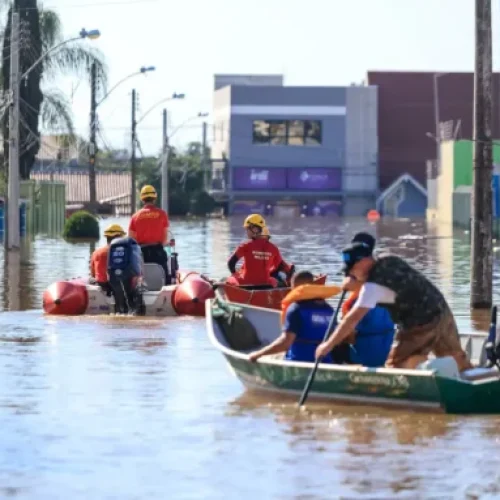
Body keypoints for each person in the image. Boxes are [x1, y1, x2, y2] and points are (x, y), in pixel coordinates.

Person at [315, 243, 473, 372]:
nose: (350, 274)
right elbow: (388, 283)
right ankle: (472, 379)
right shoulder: (389, 259)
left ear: (363, 262)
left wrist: (327, 345)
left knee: (395, 366)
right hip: (441, 310)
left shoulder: (371, 289)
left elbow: (352, 319)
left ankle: (427, 370)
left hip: (421, 323)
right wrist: (357, 282)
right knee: (455, 356)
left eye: (351, 270)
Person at [249, 271, 343, 363]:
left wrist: (258, 354)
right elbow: (337, 338)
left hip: (298, 360)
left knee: (272, 356)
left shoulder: (296, 308)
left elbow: (285, 343)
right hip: (324, 361)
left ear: (296, 288)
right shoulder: (329, 309)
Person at [339, 232, 395, 367]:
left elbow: (350, 336)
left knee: (334, 342)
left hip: (365, 356)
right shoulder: (387, 291)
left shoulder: (355, 303)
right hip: (386, 349)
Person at [226, 215, 291, 289]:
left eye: (247, 229)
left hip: (246, 283)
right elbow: (279, 266)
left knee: (229, 279)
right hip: (266, 283)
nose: (246, 232)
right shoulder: (274, 248)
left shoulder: (245, 246)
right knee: (273, 280)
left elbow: (231, 263)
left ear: (255, 229)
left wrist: (235, 275)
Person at [128, 185, 171, 284]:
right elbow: (165, 240)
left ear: (142, 199)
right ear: (154, 198)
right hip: (158, 252)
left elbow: (131, 240)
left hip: (141, 254)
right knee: (166, 276)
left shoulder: (135, 216)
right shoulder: (162, 214)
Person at [90, 223, 126, 291]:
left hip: (100, 284)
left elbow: (93, 274)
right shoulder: (124, 253)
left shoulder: (96, 253)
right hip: (118, 285)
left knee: (90, 279)